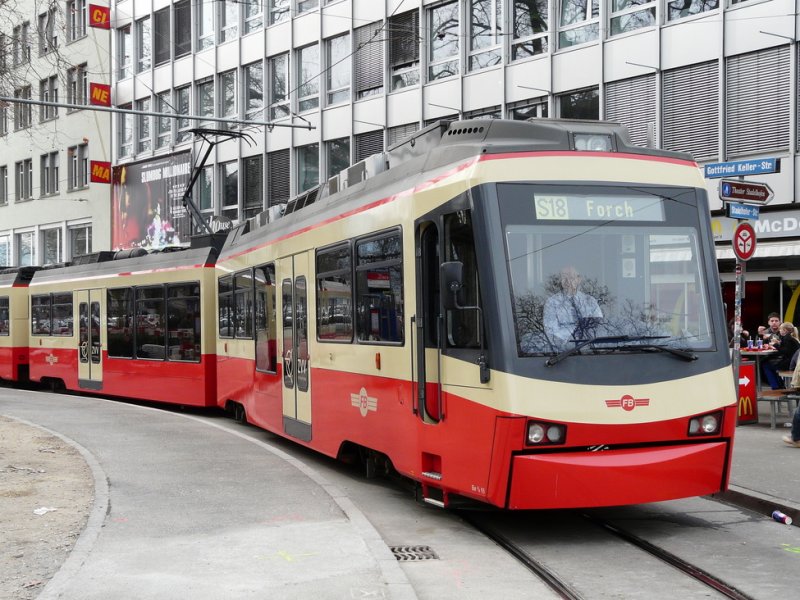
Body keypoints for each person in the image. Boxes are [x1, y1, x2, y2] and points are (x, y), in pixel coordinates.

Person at [544, 266, 603, 345]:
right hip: (564, 350)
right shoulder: (552, 302)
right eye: (564, 277)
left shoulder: (590, 301)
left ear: (579, 280)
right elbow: (551, 331)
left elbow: (599, 327)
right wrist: (571, 339)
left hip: (591, 348)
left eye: (571, 277)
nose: (567, 281)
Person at [762, 322, 800, 389]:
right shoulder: (792, 338)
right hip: (794, 363)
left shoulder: (788, 339)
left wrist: (775, 345)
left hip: (791, 364)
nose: (779, 331)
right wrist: (778, 344)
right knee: (769, 363)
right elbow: (786, 349)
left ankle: (775, 387)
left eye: (780, 329)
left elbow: (785, 351)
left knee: (766, 365)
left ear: (785, 330)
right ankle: (779, 385)